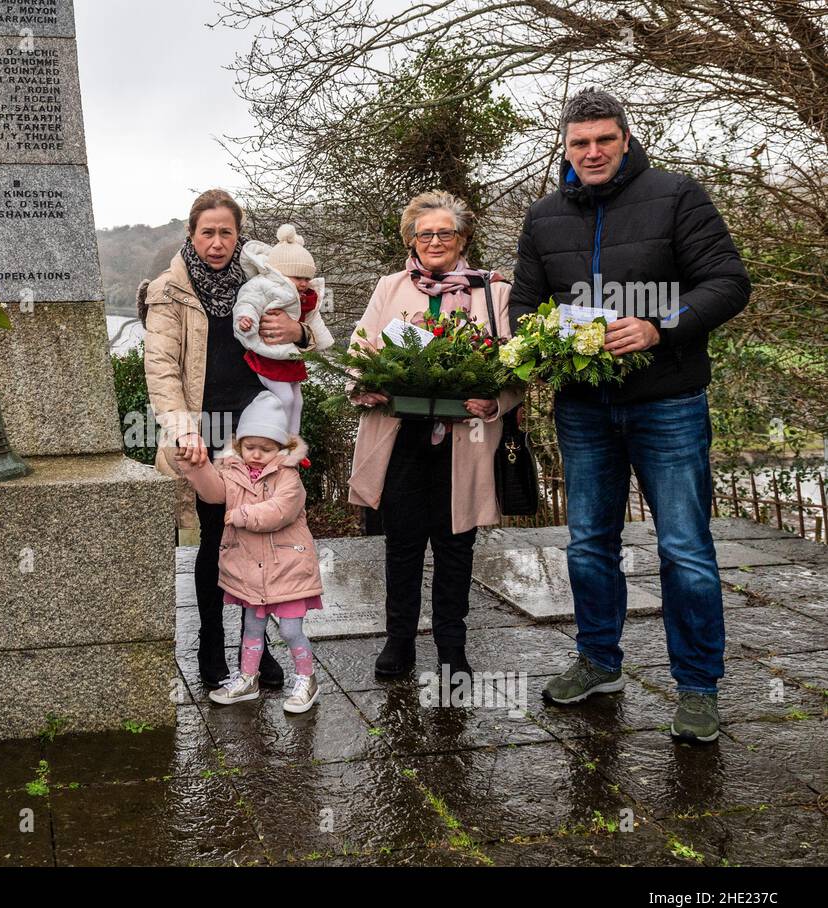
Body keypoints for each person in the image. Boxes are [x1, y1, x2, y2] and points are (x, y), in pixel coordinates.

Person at [509, 88, 751, 743]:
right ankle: (598, 662)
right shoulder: (543, 217)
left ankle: (698, 689)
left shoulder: (676, 195)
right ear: (564, 146)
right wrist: (545, 341)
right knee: (588, 545)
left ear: (624, 139)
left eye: (603, 141)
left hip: (668, 402)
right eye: (579, 142)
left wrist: (659, 326)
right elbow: (524, 307)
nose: (592, 152)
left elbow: (728, 284)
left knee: (684, 549)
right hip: (584, 410)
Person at [143, 190, 320, 690]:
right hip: (204, 429)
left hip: (258, 428)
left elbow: (308, 335)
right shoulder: (168, 291)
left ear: (238, 234)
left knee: (258, 538)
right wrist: (182, 429)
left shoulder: (260, 280)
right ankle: (209, 646)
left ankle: (256, 650)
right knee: (215, 539)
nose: (217, 243)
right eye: (207, 232)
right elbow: (160, 368)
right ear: (191, 234)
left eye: (226, 232)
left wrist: (299, 332)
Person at [346, 191, 523, 685]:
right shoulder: (389, 286)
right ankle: (398, 640)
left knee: (455, 545)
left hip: (463, 437)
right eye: (425, 233)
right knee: (400, 543)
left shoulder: (494, 292)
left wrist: (497, 402)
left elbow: (515, 368)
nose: (435, 241)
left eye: (446, 233)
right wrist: (367, 384)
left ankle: (452, 646)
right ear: (412, 240)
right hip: (399, 434)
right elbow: (360, 348)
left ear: (463, 239)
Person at [164, 391, 324, 713]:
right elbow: (215, 493)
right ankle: (248, 677)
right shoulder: (234, 472)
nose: (256, 455)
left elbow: (280, 510)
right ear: (240, 444)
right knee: (252, 628)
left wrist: (241, 516)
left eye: (265, 449)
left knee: (291, 630)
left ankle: (307, 679)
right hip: (253, 571)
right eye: (250, 447)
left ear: (281, 448)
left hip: (288, 568)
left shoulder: (288, 477)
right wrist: (197, 468)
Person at [233, 224, 335, 436]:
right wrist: (246, 320)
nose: (304, 283)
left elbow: (313, 320)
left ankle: (292, 441)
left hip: (289, 357)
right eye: (298, 278)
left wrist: (322, 342)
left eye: (307, 278)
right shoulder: (263, 285)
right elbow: (248, 303)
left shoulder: (307, 297)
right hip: (267, 356)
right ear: (281, 273)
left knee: (297, 401)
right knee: (285, 399)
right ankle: (277, 439)